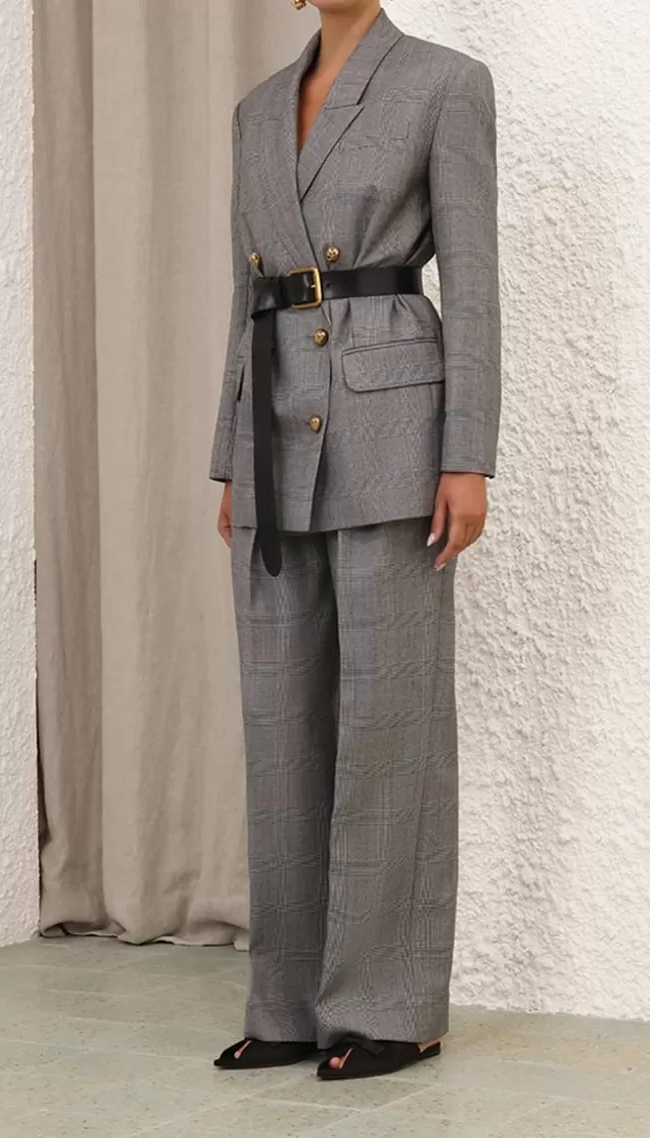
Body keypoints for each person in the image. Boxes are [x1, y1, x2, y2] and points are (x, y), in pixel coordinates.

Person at [208, 0, 500, 1081]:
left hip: (393, 427)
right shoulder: (254, 111)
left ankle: (390, 1006)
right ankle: (288, 1002)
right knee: (280, 720)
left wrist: (467, 455)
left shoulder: (444, 82)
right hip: (276, 432)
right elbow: (246, 295)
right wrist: (230, 453)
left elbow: (474, 281)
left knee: (390, 719)